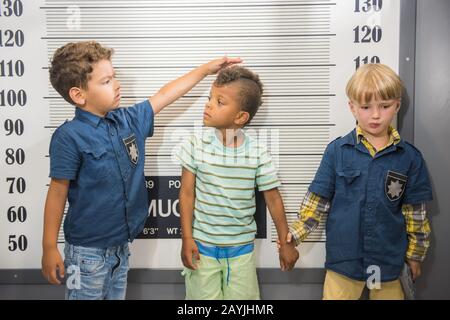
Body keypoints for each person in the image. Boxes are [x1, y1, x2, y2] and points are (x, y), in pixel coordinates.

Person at [41, 40, 241, 300]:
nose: (116, 85)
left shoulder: (128, 120)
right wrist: (49, 246)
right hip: (86, 253)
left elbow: (165, 95)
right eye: (106, 81)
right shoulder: (69, 137)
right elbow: (57, 192)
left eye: (114, 77)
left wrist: (205, 70)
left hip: (120, 247)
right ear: (79, 95)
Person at [287, 64, 432, 300]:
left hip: (388, 264)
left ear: (396, 105)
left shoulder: (410, 158)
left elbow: (415, 214)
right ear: (352, 107)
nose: (375, 115)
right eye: (366, 107)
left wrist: (415, 256)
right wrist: (294, 234)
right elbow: (318, 201)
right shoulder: (337, 151)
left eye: (384, 106)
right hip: (344, 262)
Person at [176, 66, 299, 300]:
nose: (209, 105)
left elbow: (272, 198)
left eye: (220, 102)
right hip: (202, 249)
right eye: (209, 98)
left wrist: (285, 242)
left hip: (241, 251)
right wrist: (187, 238)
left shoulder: (257, 153)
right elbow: (187, 193)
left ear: (240, 116)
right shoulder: (194, 145)